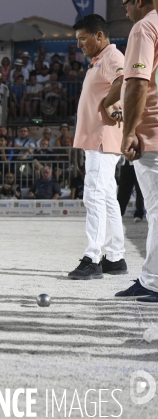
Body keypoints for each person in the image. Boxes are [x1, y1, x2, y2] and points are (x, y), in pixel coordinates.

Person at [67, 15, 129, 281]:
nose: (79, 44)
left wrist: (109, 105)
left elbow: (126, 80)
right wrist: (111, 104)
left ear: (99, 36)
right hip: (100, 138)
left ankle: (93, 258)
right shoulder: (99, 61)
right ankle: (115, 257)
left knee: (93, 195)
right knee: (106, 198)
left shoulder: (111, 57)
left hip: (101, 139)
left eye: (83, 38)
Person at [115, 0, 158, 303]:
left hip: (153, 133)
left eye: (125, 3)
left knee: (156, 210)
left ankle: (153, 282)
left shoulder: (144, 27)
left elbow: (138, 82)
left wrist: (130, 130)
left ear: (139, 1)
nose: (124, 10)